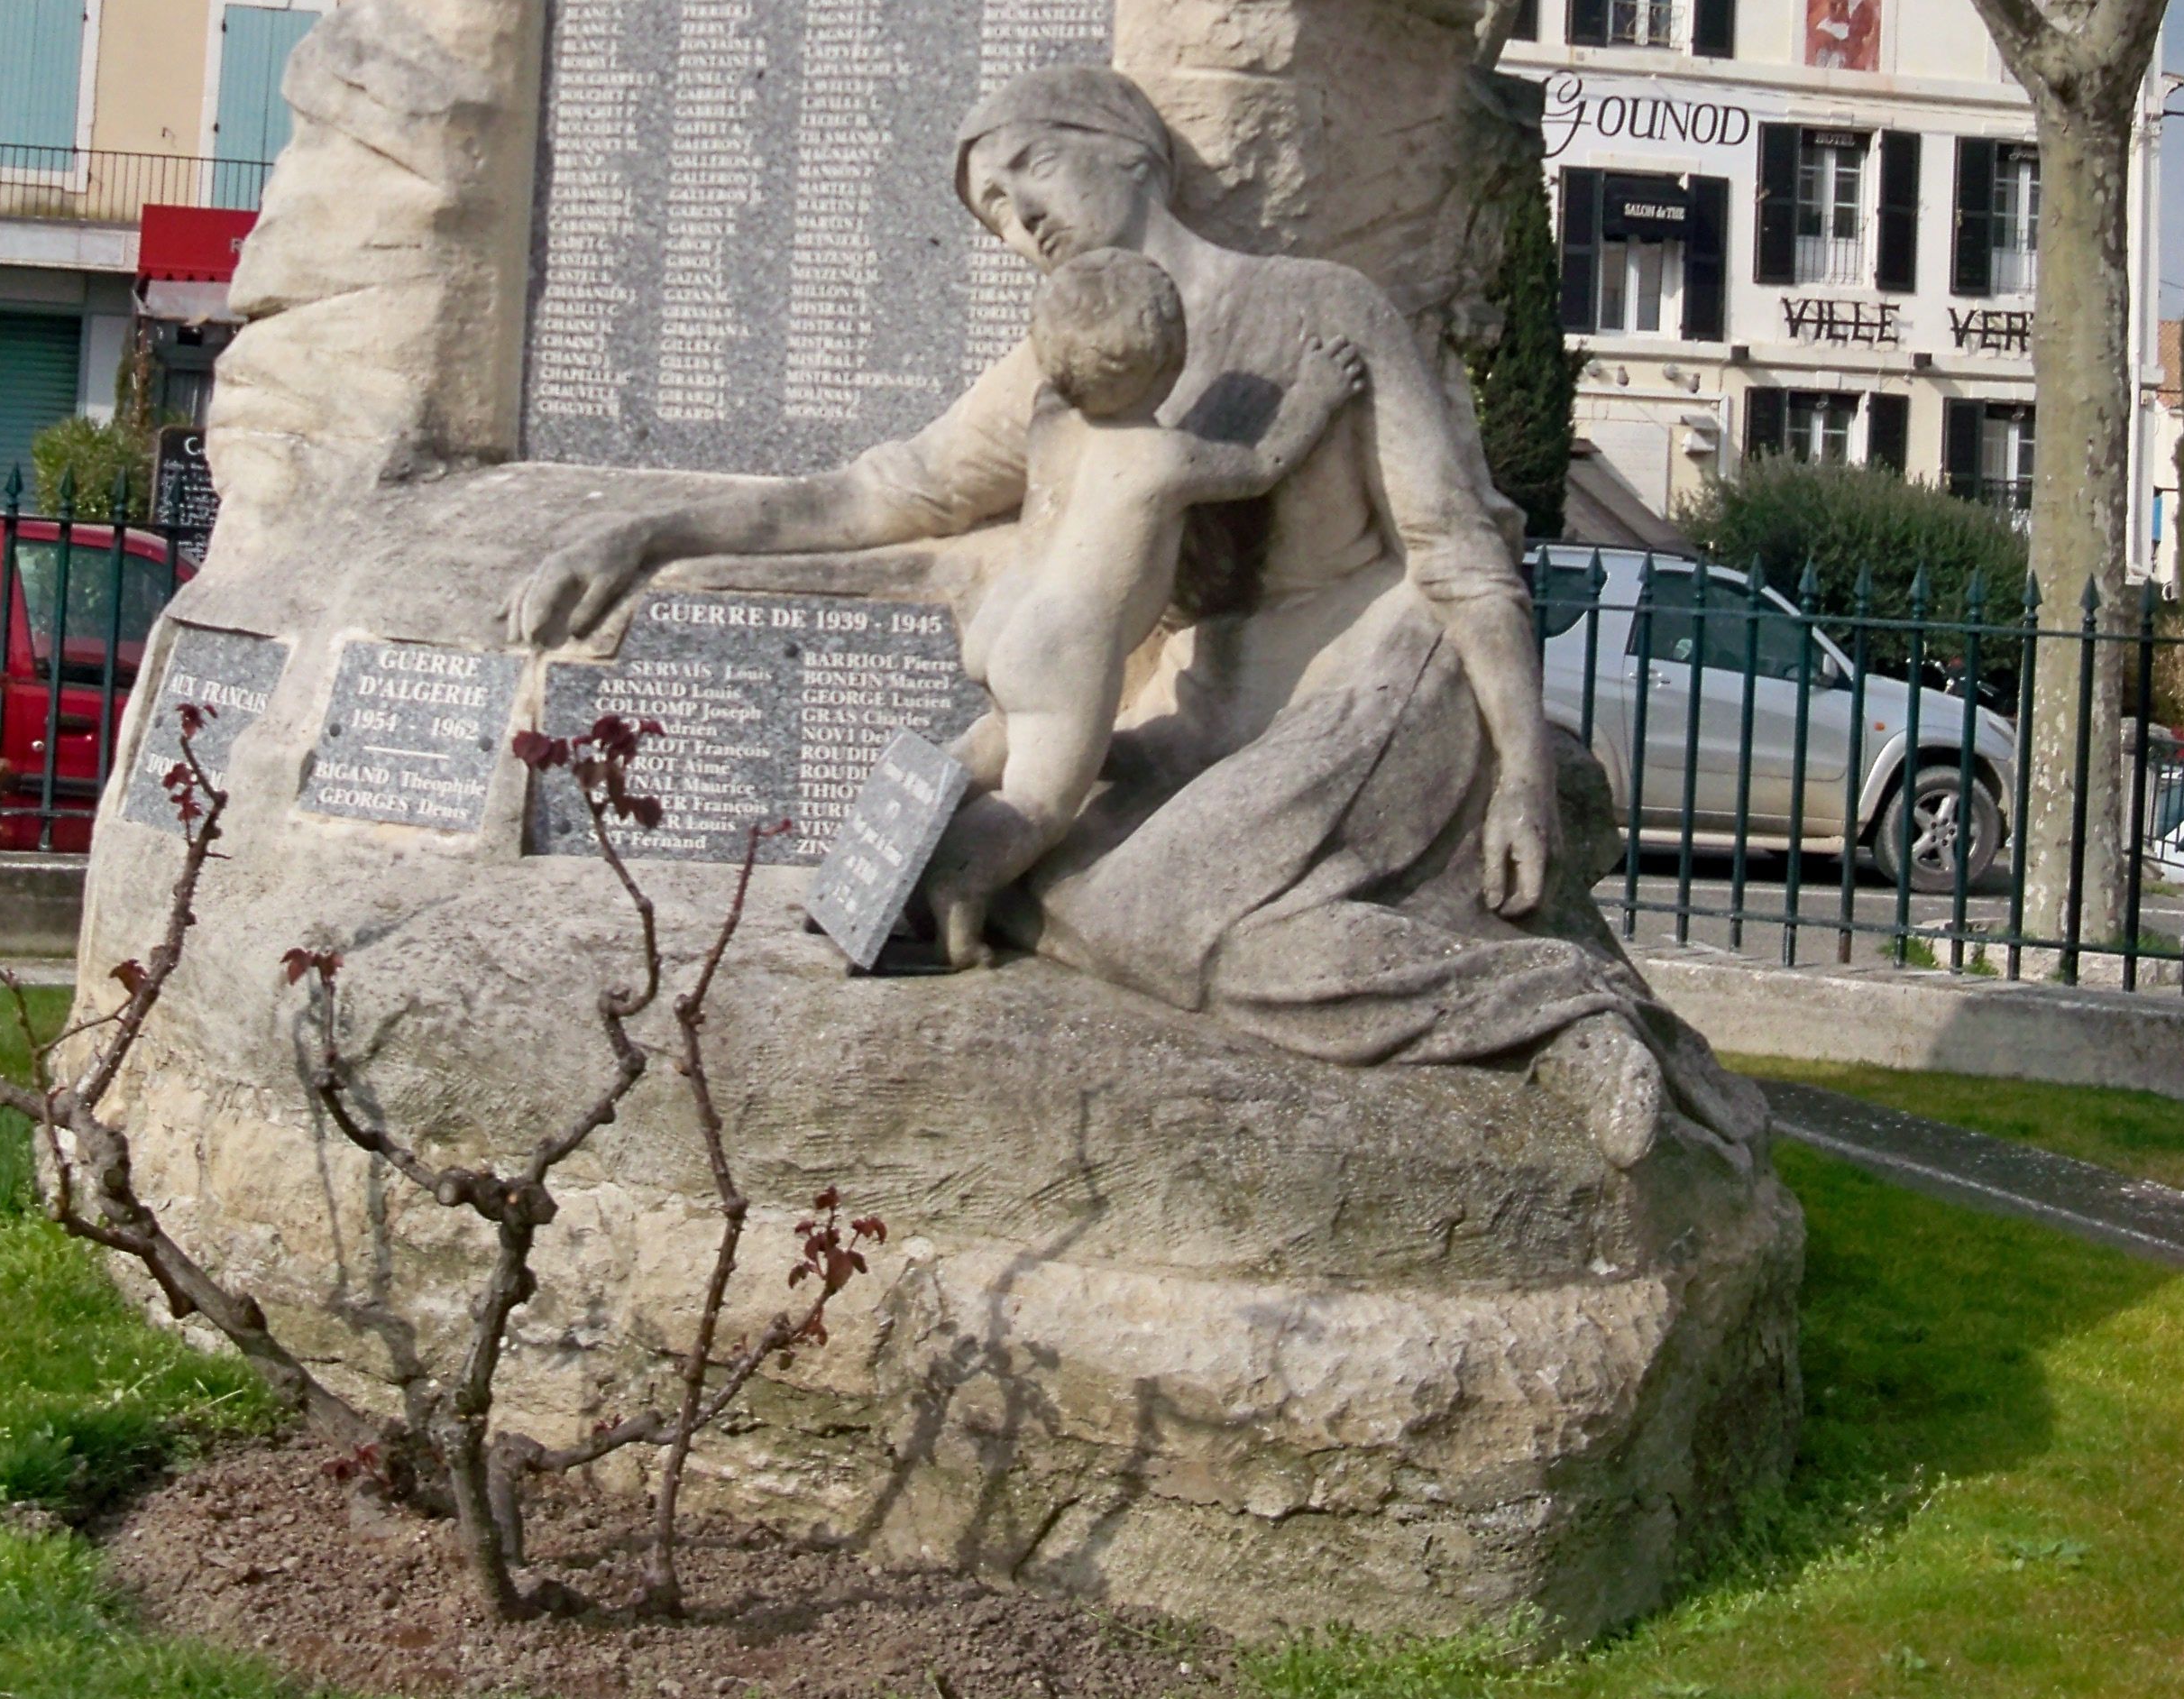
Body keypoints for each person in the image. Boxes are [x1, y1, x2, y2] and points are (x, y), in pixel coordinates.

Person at [509, 63, 1755, 1156]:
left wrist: (1525, 767)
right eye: (993, 212)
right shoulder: (1068, 364)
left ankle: (1554, 1014)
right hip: (1221, 712)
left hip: (1384, 672)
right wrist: (655, 530)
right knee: (1028, 880)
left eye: (1027, 172)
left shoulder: (1321, 309)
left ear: (1131, 149)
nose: (1019, 224)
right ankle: (1463, 985)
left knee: (1153, 917)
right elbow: (890, 487)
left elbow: (1460, 551)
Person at [926, 245, 1363, 970]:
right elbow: (1265, 465)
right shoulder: (1165, 460)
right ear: (1170, 364)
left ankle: (905, 837)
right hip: (1066, 648)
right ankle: (959, 883)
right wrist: (1316, 392)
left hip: (1003, 618)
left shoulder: (1051, 420)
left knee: (995, 740)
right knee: (1039, 803)